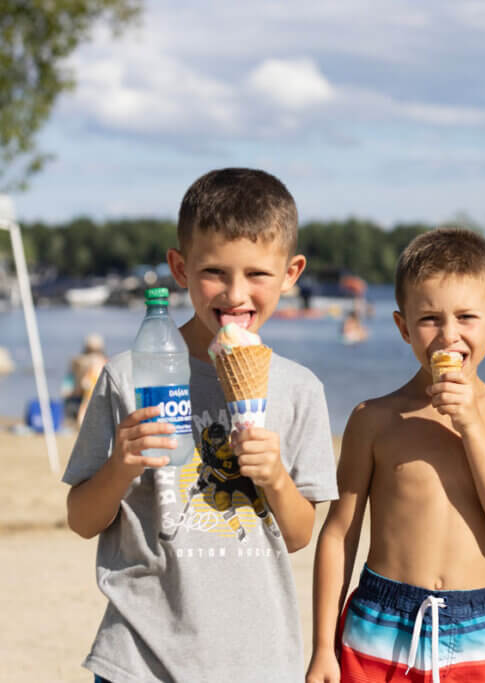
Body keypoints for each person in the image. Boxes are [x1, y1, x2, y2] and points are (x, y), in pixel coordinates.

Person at [62, 168, 339, 682]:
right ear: (179, 267)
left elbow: (300, 535)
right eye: (214, 271)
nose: (236, 295)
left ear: (291, 273)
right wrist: (121, 466)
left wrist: (275, 476)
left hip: (258, 660)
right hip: (139, 660)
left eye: (258, 274)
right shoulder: (127, 376)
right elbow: (81, 520)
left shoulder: (300, 390)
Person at [306, 227, 485, 683]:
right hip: (379, 625)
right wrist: (321, 648)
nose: (448, 335)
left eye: (467, 317)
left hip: (476, 631)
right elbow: (339, 536)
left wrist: (470, 424)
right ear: (402, 326)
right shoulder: (373, 418)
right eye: (430, 318)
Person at [64, 332, 107, 426]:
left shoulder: (77, 361)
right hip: (91, 396)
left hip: (81, 396)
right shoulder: (104, 362)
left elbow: (67, 387)